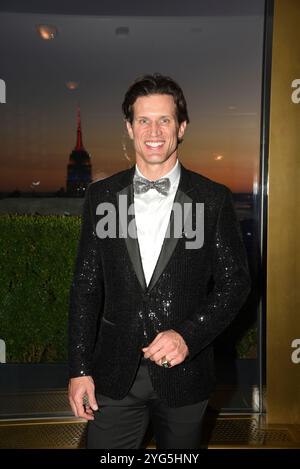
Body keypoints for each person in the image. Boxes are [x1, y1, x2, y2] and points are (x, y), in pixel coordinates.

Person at [68, 73, 251, 449]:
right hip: (114, 373)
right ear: (129, 128)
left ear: (181, 128)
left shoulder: (211, 199)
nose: (154, 130)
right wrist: (80, 369)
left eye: (164, 119)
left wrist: (188, 334)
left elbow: (236, 283)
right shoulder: (102, 197)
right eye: (143, 120)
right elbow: (86, 286)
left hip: (187, 373)